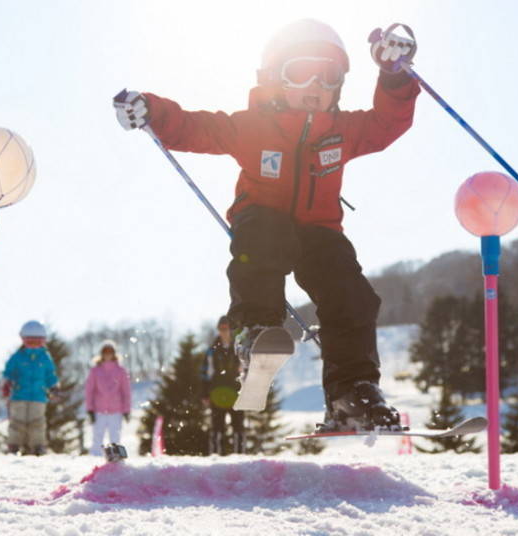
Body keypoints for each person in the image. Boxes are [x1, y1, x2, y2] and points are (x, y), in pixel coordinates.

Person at [114, 20, 419, 432]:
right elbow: (196, 126)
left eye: (328, 76)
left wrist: (394, 75)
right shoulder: (253, 126)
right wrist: (152, 109)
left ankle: (352, 392)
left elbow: (387, 124)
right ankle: (256, 331)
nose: (314, 84)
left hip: (320, 231)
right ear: (276, 79)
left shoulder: (343, 131)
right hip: (262, 221)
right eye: (299, 72)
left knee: (352, 296)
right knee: (264, 239)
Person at [2, 320, 59, 455]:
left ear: (43, 341)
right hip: (19, 395)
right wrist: (7, 382)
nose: (33, 346)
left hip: (39, 396)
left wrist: (54, 386)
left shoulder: (45, 357)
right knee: (17, 422)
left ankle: (37, 446)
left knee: (37, 422)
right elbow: (8, 371)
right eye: (30, 342)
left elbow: (50, 374)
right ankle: (14, 445)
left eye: (37, 343)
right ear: (23, 340)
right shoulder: (18, 356)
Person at [201, 315, 246, 454]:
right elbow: (205, 373)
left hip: (236, 393)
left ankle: (240, 457)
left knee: (238, 428)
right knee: (216, 429)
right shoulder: (212, 351)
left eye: (226, 328)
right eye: (221, 328)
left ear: (230, 330)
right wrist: (204, 394)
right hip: (217, 393)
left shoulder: (238, 349)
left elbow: (245, 370)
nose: (223, 331)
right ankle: (215, 458)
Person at [84, 340, 131, 456]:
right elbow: (89, 391)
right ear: (102, 354)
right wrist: (90, 409)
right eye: (105, 352)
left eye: (110, 352)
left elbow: (126, 392)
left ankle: (116, 462)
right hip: (99, 410)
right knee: (97, 438)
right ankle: (94, 461)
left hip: (116, 410)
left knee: (115, 438)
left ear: (114, 354)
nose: (108, 354)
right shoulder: (95, 371)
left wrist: (126, 410)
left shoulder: (121, 371)